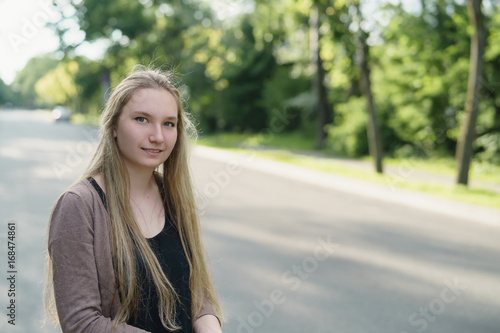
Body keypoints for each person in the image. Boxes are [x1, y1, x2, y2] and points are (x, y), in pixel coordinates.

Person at [45, 67, 223, 333]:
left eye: (168, 123)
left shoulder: (175, 197)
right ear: (114, 126)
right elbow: (81, 324)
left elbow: (196, 294)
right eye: (142, 119)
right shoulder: (78, 206)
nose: (158, 136)